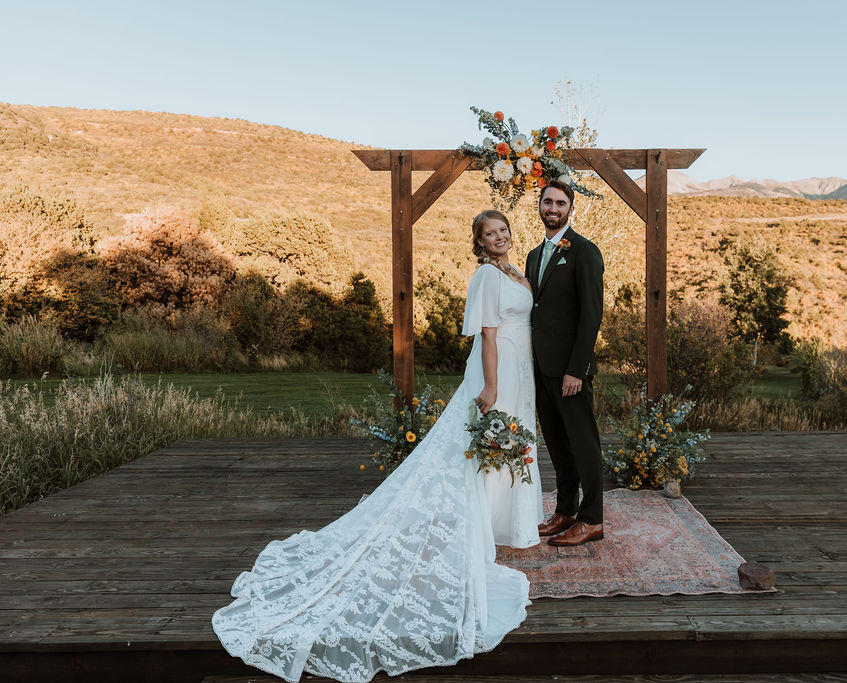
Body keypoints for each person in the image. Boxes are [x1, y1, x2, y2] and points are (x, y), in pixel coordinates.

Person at [211, 210, 542, 683]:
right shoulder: (488, 276)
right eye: (490, 234)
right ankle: (481, 526)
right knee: (486, 447)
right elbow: (488, 336)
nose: (499, 238)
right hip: (500, 368)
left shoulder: (517, 271)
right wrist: (490, 387)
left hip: (521, 366)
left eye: (502, 230)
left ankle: (501, 521)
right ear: (480, 243)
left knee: (506, 447)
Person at [525, 180, 605, 547]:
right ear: (539, 206)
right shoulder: (533, 255)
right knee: (558, 445)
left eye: (560, 202)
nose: (553, 208)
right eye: (547, 201)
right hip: (541, 368)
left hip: (570, 371)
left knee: (583, 445)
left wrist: (577, 368)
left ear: (571, 208)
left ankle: (592, 519)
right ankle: (566, 510)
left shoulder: (584, 252)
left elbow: (591, 317)